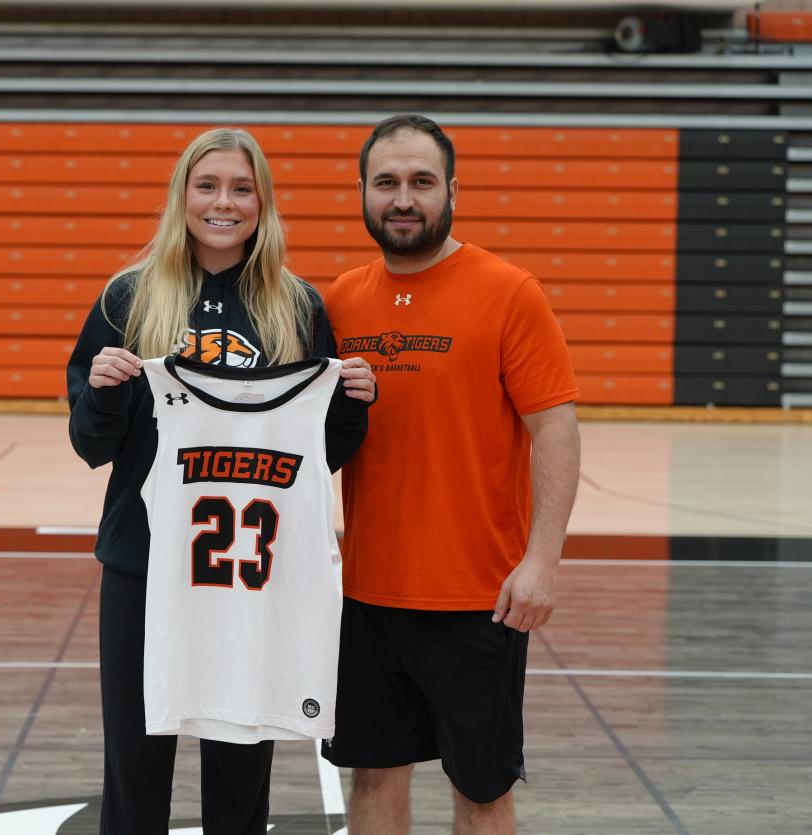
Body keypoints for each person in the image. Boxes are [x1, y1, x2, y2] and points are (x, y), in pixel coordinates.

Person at [66, 126, 376, 835]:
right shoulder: (128, 297)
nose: (223, 203)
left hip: (248, 572)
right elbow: (90, 444)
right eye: (207, 185)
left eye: (242, 188)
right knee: (135, 765)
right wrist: (107, 392)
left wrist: (355, 405)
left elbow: (316, 455)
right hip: (144, 565)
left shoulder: (297, 307)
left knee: (241, 764)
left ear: (263, 203)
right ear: (182, 197)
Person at [321, 114, 581, 834]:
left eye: (421, 182)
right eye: (387, 183)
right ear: (365, 193)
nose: (403, 198)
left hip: (478, 597)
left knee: (481, 789)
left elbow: (554, 425)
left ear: (452, 191)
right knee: (371, 773)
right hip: (367, 595)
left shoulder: (508, 291)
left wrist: (543, 558)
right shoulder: (339, 300)